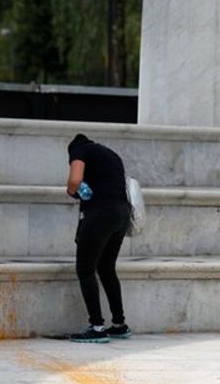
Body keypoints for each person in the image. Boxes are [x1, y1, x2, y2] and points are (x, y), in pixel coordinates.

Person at [66, 133, 133, 343]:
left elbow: (75, 179)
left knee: (85, 269)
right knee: (106, 268)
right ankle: (119, 324)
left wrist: (71, 190)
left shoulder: (80, 150)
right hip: (121, 214)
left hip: (100, 215)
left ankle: (96, 327)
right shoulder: (111, 155)